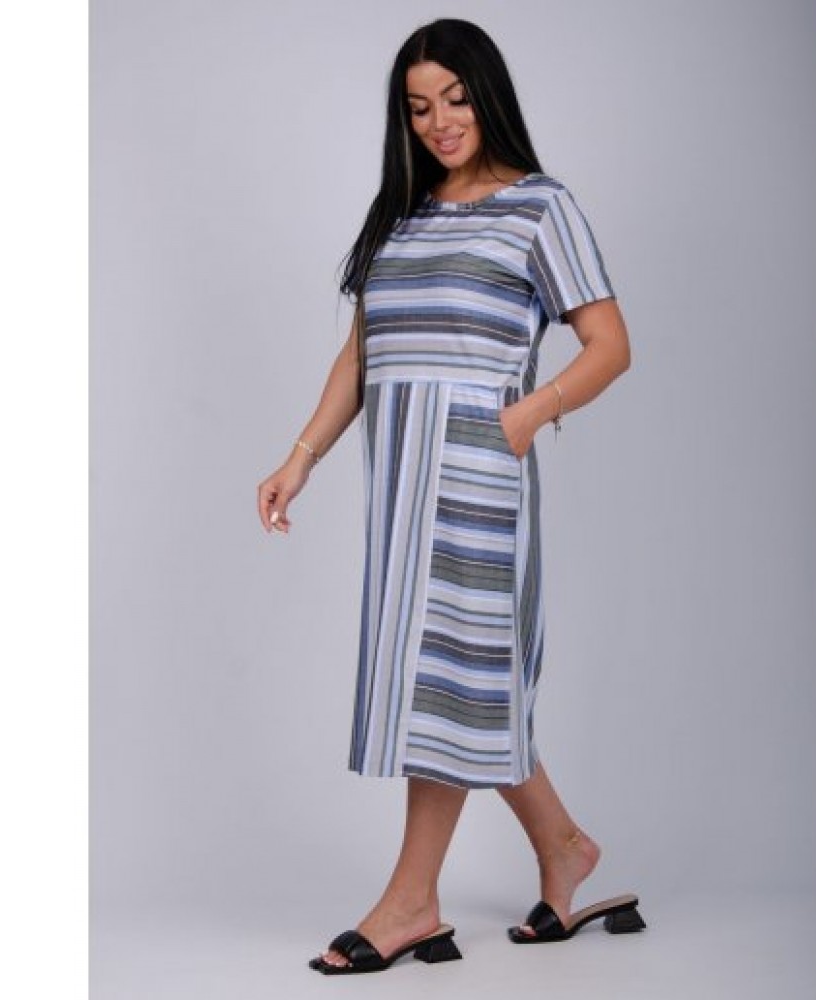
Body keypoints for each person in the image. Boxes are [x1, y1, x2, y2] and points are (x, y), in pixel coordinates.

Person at [257, 18, 643, 975]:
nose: (439, 121)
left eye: (456, 99)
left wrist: (529, 414)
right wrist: (300, 457)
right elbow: (363, 354)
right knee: (462, 679)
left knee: (451, 678)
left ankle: (411, 901)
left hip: (480, 480)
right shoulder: (402, 215)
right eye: (419, 106)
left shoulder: (541, 208)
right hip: (399, 485)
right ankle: (565, 847)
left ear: (488, 94)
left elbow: (610, 346)